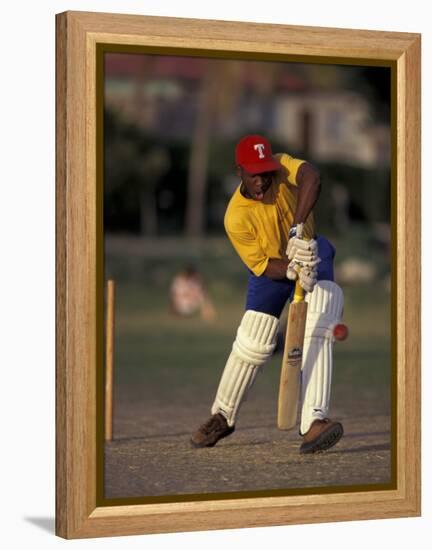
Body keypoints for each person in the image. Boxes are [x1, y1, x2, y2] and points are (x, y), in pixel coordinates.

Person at [190, 134, 345, 454]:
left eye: (266, 172)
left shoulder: (284, 167)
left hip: (313, 253)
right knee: (253, 341)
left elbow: (312, 176)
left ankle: (314, 421)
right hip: (273, 270)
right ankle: (223, 415)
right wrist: (291, 270)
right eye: (254, 174)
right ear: (240, 173)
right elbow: (260, 265)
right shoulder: (235, 217)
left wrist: (298, 229)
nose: (262, 180)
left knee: (321, 323)